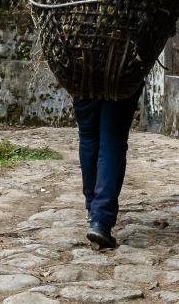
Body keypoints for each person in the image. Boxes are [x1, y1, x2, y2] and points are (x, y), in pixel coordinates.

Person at [72, 87, 143, 249]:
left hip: (82, 77)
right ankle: (100, 220)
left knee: (88, 136)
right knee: (112, 138)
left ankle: (93, 210)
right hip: (121, 77)